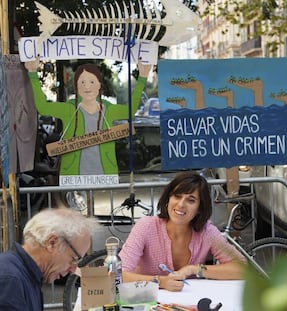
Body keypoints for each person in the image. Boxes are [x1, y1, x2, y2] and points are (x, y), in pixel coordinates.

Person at [119, 171, 246, 292]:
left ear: (200, 208)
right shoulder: (146, 226)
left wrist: (194, 269)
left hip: (186, 304)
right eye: (177, 196)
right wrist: (161, 282)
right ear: (168, 198)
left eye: (191, 200)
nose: (181, 204)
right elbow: (116, 274)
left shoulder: (207, 231)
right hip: (146, 302)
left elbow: (243, 268)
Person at [24, 59, 152, 176]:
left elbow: (130, 111)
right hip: (73, 178)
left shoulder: (109, 109)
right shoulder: (68, 109)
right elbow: (42, 107)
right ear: (77, 86)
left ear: (99, 85)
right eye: (82, 82)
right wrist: (32, 73)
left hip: (105, 177)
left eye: (92, 82)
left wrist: (143, 78)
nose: (87, 87)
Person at [0, 208, 99, 310]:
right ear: (52, 243)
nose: (73, 269)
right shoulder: (10, 280)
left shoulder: (25, 275)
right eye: (73, 259)